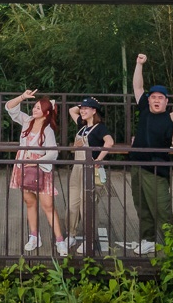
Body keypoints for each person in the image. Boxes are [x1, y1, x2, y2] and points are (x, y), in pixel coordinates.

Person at [129, 53, 173, 254]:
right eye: (153, 97)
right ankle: (148, 240)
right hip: (136, 165)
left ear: (166, 101)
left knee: (161, 208)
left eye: (160, 98)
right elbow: (137, 87)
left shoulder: (170, 120)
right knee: (141, 206)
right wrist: (139, 64)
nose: (156, 100)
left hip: (156, 169)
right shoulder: (144, 108)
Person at [5, 89, 68, 256]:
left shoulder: (48, 130)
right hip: (23, 166)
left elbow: (53, 152)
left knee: (48, 205)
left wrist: (37, 161)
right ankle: (34, 236)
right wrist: (22, 97)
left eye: (39, 108)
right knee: (29, 202)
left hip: (40, 168)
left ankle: (60, 240)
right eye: (34, 106)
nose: (34, 109)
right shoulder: (27, 121)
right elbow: (10, 108)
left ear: (46, 113)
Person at [67, 96, 114, 254]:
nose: (82, 110)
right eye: (82, 108)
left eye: (87, 108)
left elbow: (109, 142)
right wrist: (83, 103)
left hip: (90, 169)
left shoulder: (100, 128)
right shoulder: (82, 125)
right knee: (73, 204)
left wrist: (98, 159)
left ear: (95, 111)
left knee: (87, 205)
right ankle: (71, 234)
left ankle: (89, 239)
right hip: (77, 168)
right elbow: (71, 110)